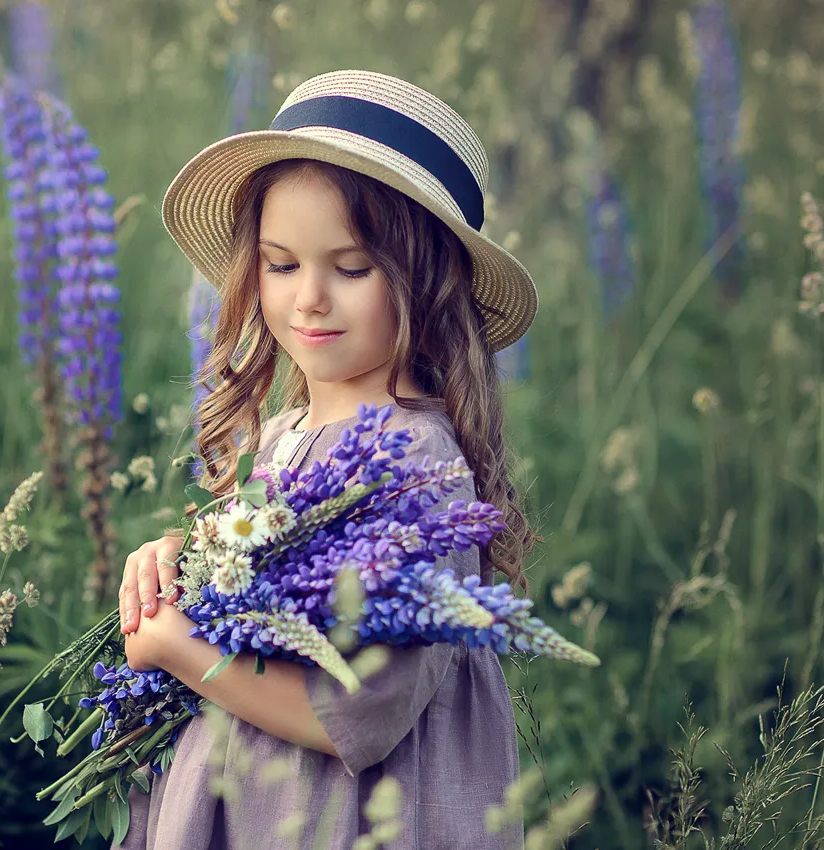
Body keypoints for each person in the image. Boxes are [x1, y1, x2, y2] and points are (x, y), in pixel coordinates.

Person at [113, 69, 538, 850]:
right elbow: (247, 591)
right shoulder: (285, 436)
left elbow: (352, 715)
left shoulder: (418, 469)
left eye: (350, 268)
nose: (309, 298)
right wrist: (180, 567)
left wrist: (178, 649)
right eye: (281, 264)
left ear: (427, 281)